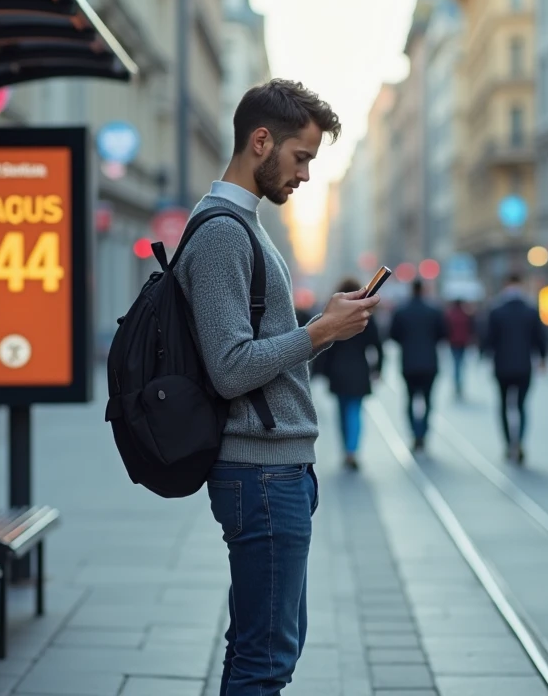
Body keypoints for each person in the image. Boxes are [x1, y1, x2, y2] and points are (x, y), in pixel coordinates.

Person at [173, 79, 379, 695]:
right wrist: (318, 332)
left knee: (262, 649)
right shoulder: (221, 234)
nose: (306, 176)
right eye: (301, 158)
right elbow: (231, 367)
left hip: (276, 470)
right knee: (266, 661)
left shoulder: (245, 227)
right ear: (260, 141)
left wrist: (324, 330)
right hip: (259, 473)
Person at [314, 277, 384, 470]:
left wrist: (320, 370)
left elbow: (325, 344)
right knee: (355, 410)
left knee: (342, 411)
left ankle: (347, 449)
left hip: (338, 370)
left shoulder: (335, 316)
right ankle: (352, 450)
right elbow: (377, 345)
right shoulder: (366, 316)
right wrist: (378, 369)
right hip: (359, 370)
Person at [484, 274, 547, 462]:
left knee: (503, 405)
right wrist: (543, 358)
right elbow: (540, 337)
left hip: (502, 366)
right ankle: (519, 441)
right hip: (524, 366)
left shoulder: (496, 310)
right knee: (521, 406)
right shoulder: (530, 310)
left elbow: (489, 340)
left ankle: (508, 443)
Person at [388, 279, 448, 451]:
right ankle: (423, 433)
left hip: (409, 363)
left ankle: (414, 432)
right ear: (424, 290)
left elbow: (393, 335)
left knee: (409, 399)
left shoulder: (401, 311)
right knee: (428, 400)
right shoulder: (434, 311)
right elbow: (442, 334)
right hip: (429, 362)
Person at [445, 299, 475, 400]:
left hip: (454, 342)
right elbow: (470, 328)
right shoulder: (465, 315)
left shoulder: (450, 315)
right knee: (460, 363)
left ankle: (457, 384)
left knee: (456, 363)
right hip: (462, 342)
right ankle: (459, 384)